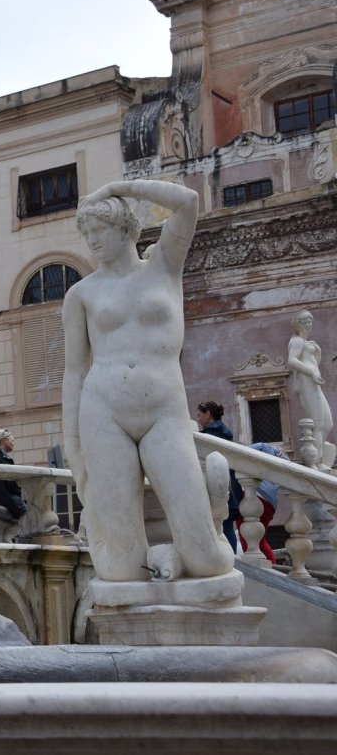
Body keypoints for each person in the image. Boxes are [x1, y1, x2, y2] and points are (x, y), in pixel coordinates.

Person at [62, 180, 233, 582]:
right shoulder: (81, 294)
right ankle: (148, 550)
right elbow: (74, 372)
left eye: (99, 231)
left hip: (163, 413)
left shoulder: (165, 267)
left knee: (207, 560)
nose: (92, 242)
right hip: (103, 413)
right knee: (121, 570)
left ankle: (215, 513)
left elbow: (188, 202)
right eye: (86, 234)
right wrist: (72, 446)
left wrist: (118, 188)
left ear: (125, 229)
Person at [287, 309, 334, 468]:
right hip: (307, 382)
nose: (309, 324)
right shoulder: (297, 341)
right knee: (319, 423)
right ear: (298, 324)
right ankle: (317, 462)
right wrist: (312, 373)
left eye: (310, 321)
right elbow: (292, 361)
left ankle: (319, 456)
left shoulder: (307, 343)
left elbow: (313, 363)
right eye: (305, 321)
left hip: (313, 382)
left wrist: (317, 351)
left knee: (327, 424)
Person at [195, 400, 242, 552]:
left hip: (217, 483)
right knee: (226, 524)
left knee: (222, 525)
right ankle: (232, 557)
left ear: (208, 414)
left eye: (199, 415)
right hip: (229, 483)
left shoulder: (209, 436)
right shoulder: (224, 433)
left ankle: (230, 558)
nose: (198, 419)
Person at [244, 442, 287, 564]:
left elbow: (253, 448)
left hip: (256, 495)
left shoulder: (264, 448)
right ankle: (272, 567)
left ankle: (259, 569)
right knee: (260, 539)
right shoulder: (282, 460)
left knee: (248, 537)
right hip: (271, 502)